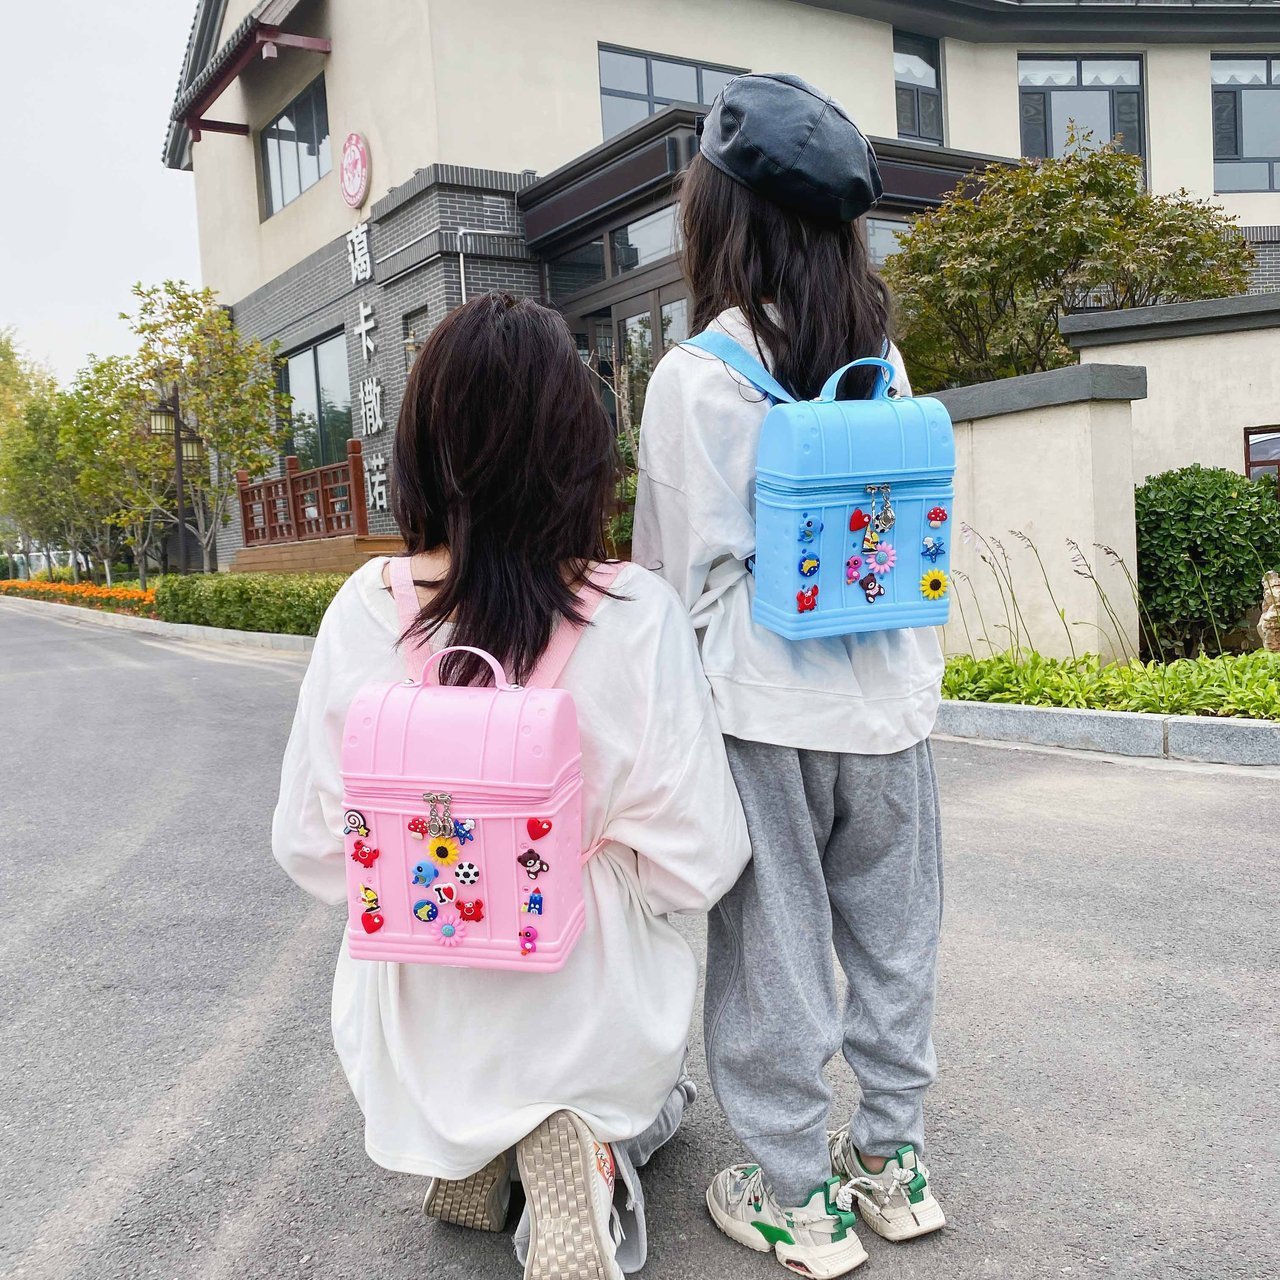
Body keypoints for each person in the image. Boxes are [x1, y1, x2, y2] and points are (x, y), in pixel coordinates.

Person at [273, 293, 751, 1280]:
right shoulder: (635, 610)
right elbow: (694, 856)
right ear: (576, 446)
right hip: (584, 997)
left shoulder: (365, 608)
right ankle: (584, 1140)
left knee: (404, 919)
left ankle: (466, 1141)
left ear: (420, 448)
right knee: (644, 1051)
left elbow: (316, 841)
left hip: (421, 1013)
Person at [633, 73, 947, 1278]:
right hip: (891, 707)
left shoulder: (697, 378)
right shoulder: (882, 359)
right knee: (894, 938)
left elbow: (674, 570)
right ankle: (893, 1162)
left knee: (774, 951)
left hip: (761, 712)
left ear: (720, 220)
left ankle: (797, 1197)